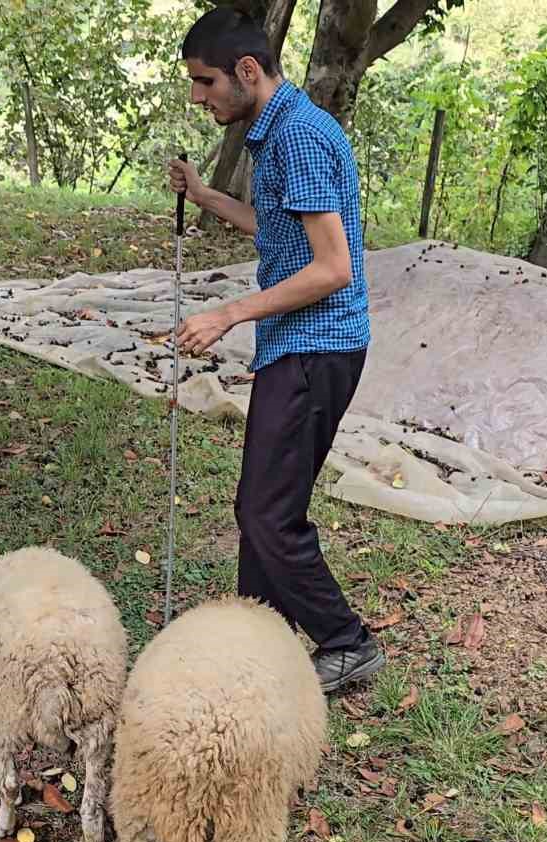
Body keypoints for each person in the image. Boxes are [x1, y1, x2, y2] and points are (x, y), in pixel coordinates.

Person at [167, 6, 382, 693]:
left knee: (267, 513)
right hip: (298, 343)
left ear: (248, 71)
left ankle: (346, 642)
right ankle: (254, 634)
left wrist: (229, 313)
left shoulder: (297, 137)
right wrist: (204, 195)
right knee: (262, 507)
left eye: (205, 83)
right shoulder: (276, 131)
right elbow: (274, 227)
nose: (199, 97)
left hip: (319, 347)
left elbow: (331, 268)